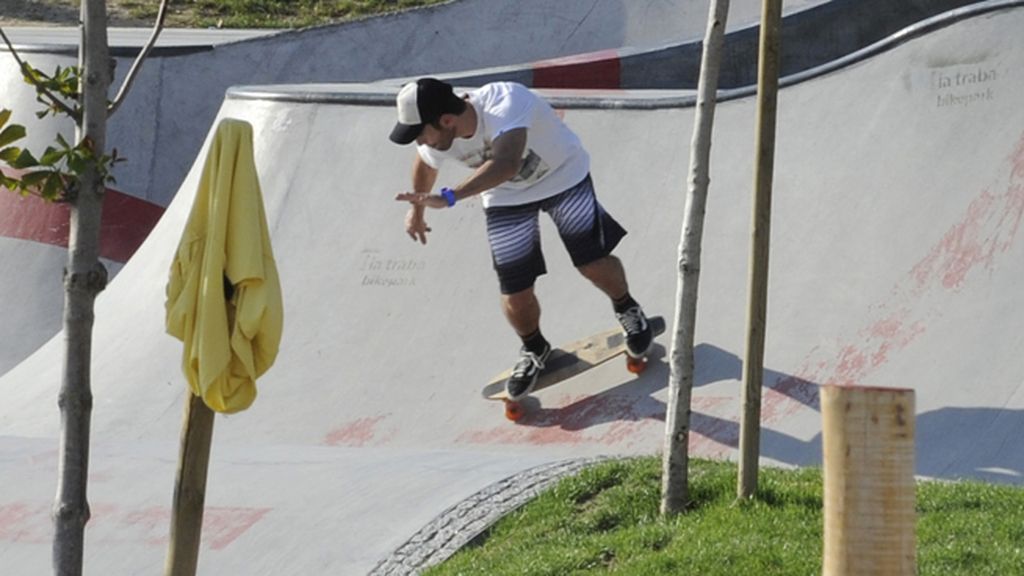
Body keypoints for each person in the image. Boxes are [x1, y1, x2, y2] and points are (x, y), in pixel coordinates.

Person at [390, 78, 652, 400]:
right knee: (515, 291)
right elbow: (425, 163)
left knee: (591, 262)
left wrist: (450, 197)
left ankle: (627, 308)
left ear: (446, 120)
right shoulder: (436, 138)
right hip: (505, 197)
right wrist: (418, 209)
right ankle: (534, 349)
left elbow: (507, 162)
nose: (421, 141)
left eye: (420, 133)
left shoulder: (505, 102)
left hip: (564, 177)